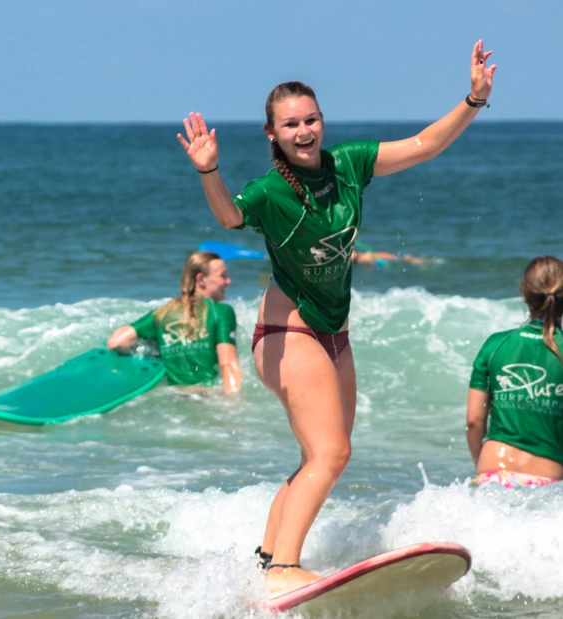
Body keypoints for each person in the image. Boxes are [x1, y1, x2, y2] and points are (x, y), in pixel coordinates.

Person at [177, 40, 496, 594]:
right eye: (291, 124)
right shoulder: (272, 192)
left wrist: (472, 99)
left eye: (312, 119)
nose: (305, 131)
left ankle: (266, 557)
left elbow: (422, 146)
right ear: (272, 134)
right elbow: (230, 218)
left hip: (334, 337)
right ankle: (283, 571)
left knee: (319, 457)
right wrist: (210, 171)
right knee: (332, 452)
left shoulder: (348, 165)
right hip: (286, 333)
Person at [466, 255, 563, 488]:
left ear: (525, 293)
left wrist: (481, 464)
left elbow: (474, 422)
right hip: (547, 479)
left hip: (493, 473)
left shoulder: (495, 345)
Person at [107, 250, 241, 393]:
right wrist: (232, 405)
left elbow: (115, 342)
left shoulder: (162, 313)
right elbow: (227, 364)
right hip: (208, 395)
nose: (229, 282)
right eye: (223, 276)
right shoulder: (221, 312)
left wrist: (152, 351)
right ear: (201, 279)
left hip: (175, 395)